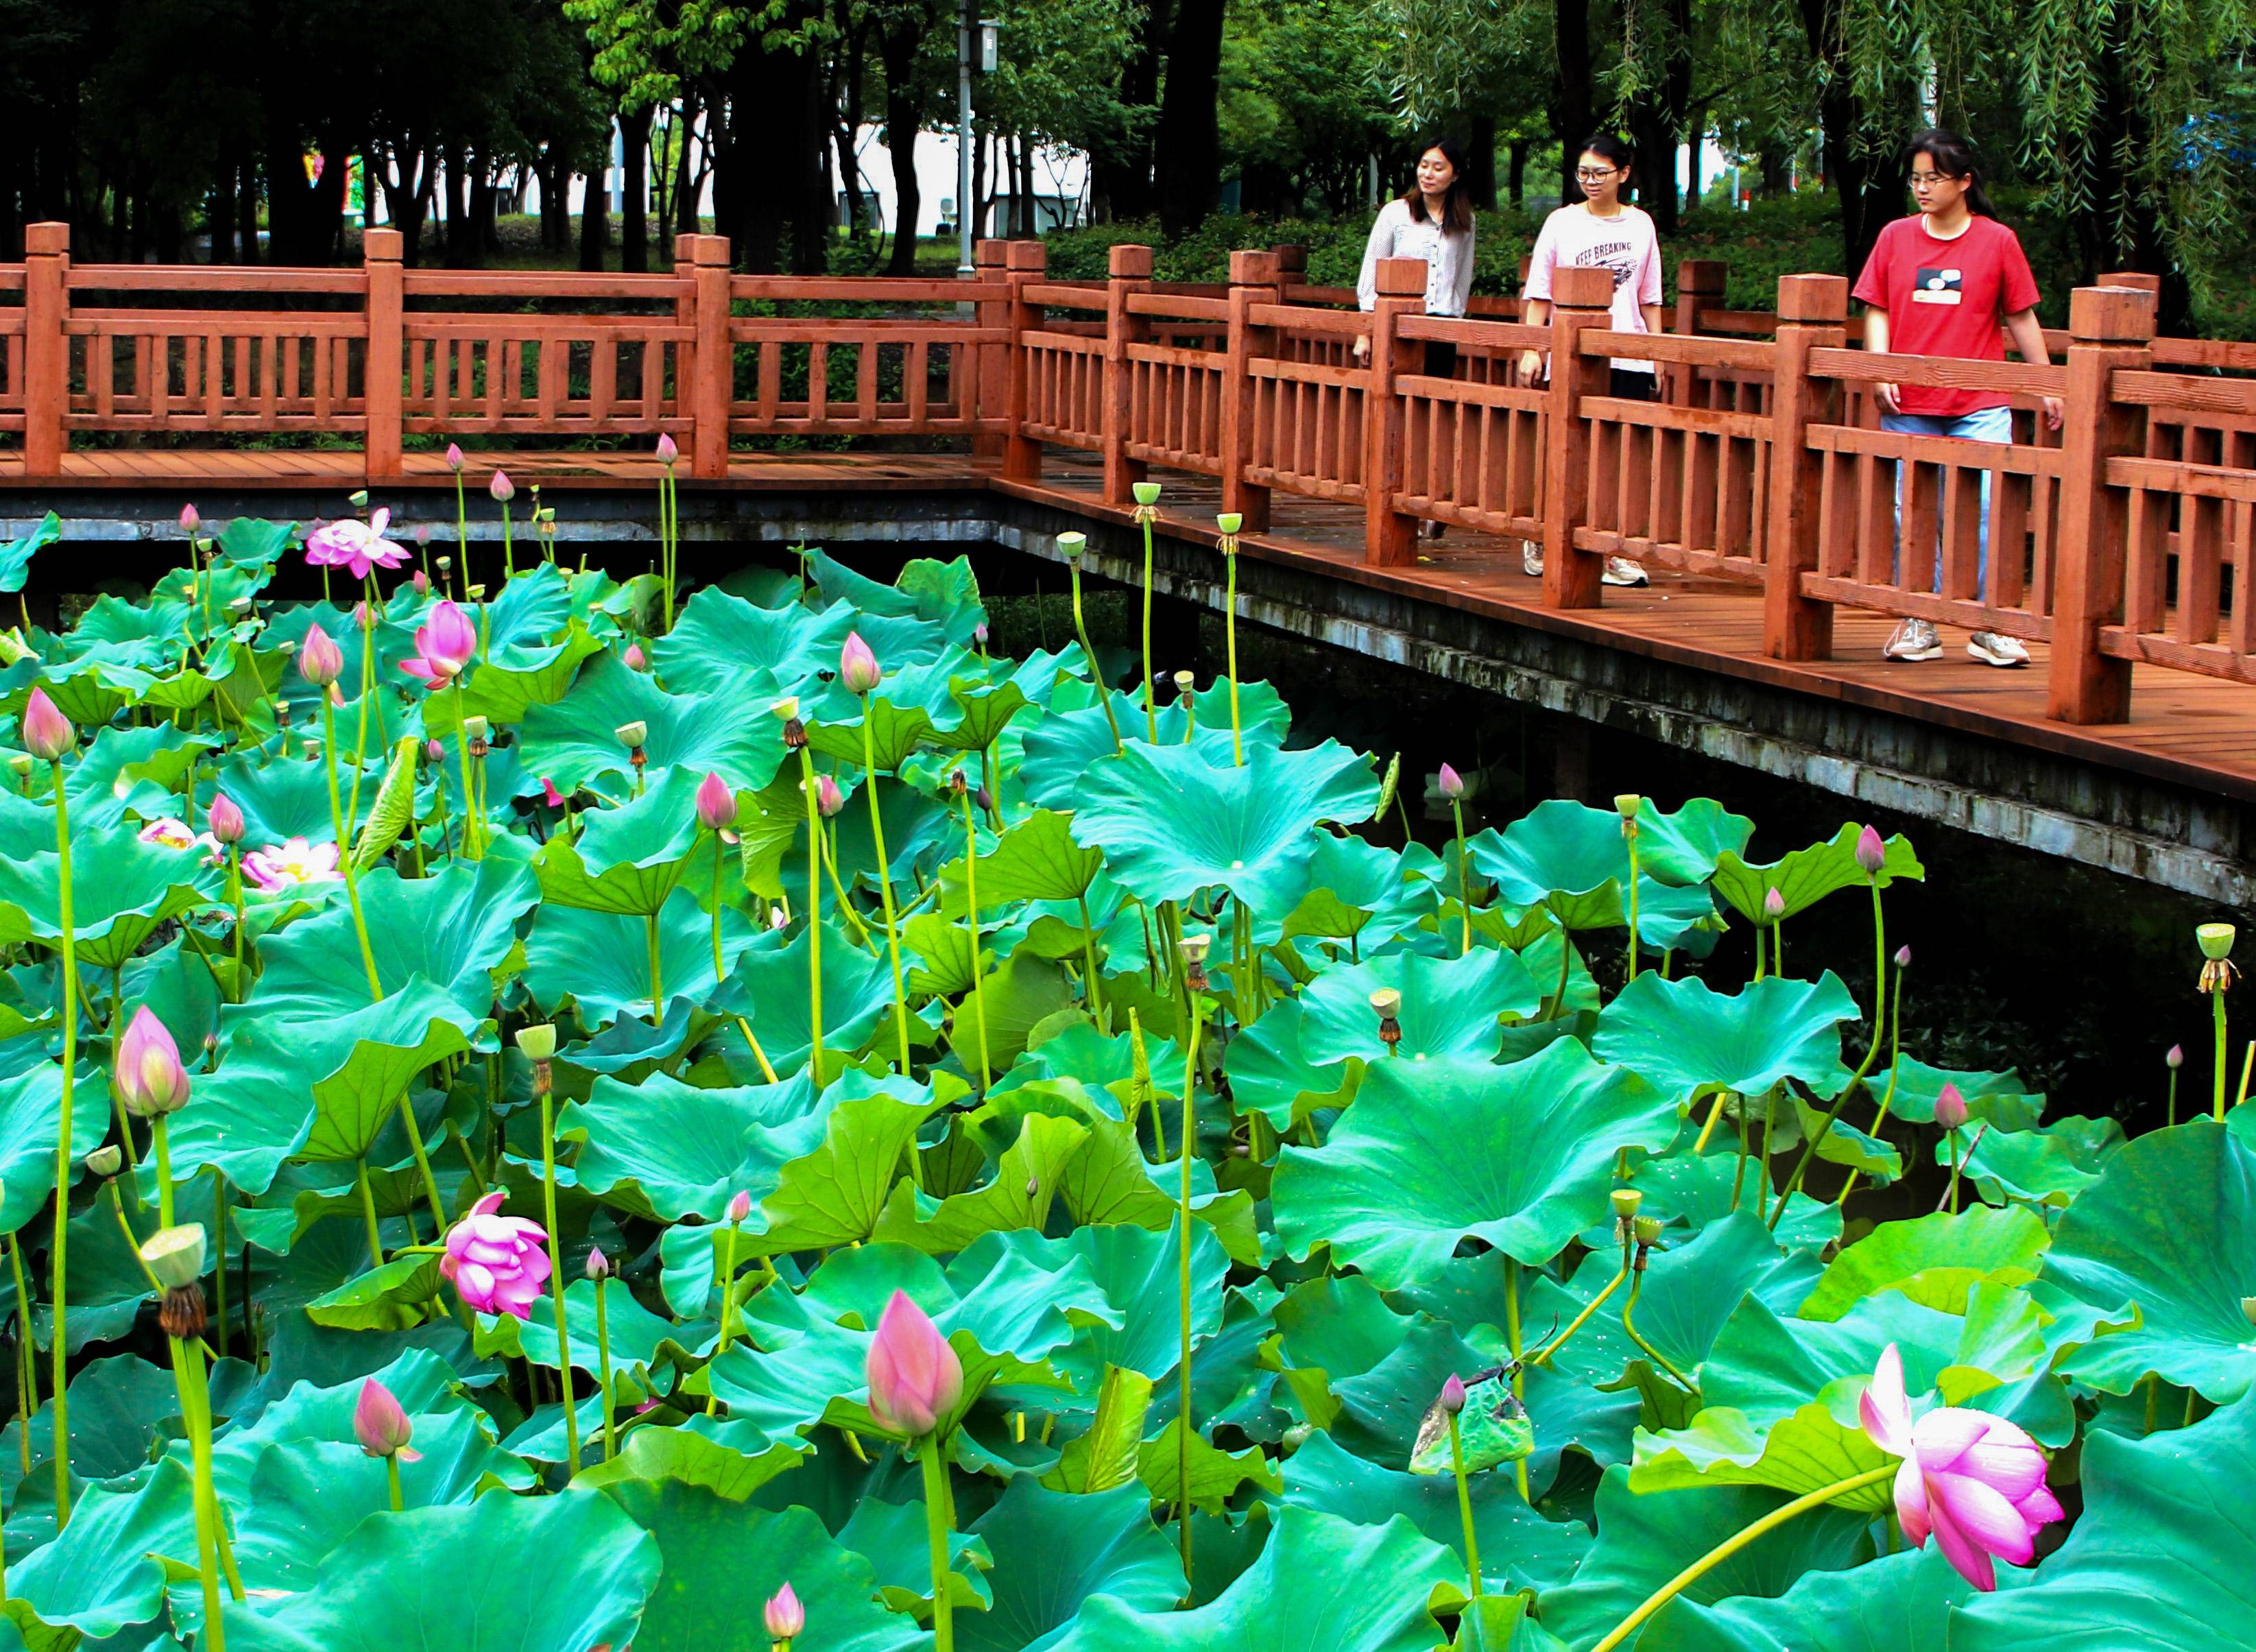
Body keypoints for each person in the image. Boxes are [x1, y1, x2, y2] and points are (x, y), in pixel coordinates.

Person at [1852, 128, 2063, 668]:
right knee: (1914, 510)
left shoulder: (1997, 240)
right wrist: (1880, 370)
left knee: (1989, 507)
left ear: (1964, 182)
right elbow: (1876, 306)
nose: (1922, 188)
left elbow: (2019, 314)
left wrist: (2046, 383)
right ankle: (1920, 618)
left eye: (1934, 178)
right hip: (1911, 399)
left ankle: (1990, 622)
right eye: (1916, 178)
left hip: (1981, 399)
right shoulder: (1896, 236)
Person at [1516, 134, 1662, 587]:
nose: (1591, 181)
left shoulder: (1641, 225)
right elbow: (1540, 291)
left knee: (1618, 456)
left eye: (1600, 173)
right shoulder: (1562, 222)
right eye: (1583, 173)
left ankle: (1610, 548)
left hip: (1629, 351)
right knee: (1567, 449)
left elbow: (1650, 296)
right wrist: (1531, 347)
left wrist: (1657, 354)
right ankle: (1544, 536)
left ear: (1623, 173)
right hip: (1574, 353)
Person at [1356, 139, 1476, 540]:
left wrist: (1455, 318)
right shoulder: (1396, 214)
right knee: (1396, 413)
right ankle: (1392, 495)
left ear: (1455, 174)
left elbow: (1463, 276)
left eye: (1438, 167)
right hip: (1397, 327)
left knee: (1436, 415)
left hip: (1441, 328)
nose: (1428, 174)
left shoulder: (1464, 221)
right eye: (1424, 165)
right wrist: (1367, 328)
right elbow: (1371, 272)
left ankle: (1431, 500)